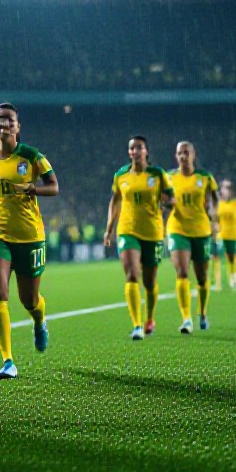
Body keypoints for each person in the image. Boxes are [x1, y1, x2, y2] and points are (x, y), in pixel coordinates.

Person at [0, 104, 58, 379]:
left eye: (9, 120)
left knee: (29, 300)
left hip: (29, 236)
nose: (3, 124)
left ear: (17, 127)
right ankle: (8, 360)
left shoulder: (31, 156)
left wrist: (33, 188)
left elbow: (54, 186)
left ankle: (39, 321)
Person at [103, 136, 173, 340]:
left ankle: (150, 318)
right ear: (129, 152)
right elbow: (115, 201)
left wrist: (166, 206)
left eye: (139, 147)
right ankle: (137, 325)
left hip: (153, 231)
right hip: (127, 230)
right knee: (132, 274)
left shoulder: (158, 174)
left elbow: (172, 198)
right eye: (132, 148)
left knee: (150, 281)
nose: (135, 151)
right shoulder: (121, 175)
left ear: (146, 151)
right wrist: (109, 229)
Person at [166, 142, 219, 334]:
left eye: (186, 152)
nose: (182, 156)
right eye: (179, 153)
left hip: (201, 230)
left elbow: (214, 198)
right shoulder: (169, 177)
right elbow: (161, 198)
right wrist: (166, 203)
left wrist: (214, 214)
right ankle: (186, 319)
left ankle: (202, 313)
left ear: (193, 155)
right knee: (181, 272)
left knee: (202, 276)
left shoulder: (204, 177)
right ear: (176, 156)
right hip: (177, 228)